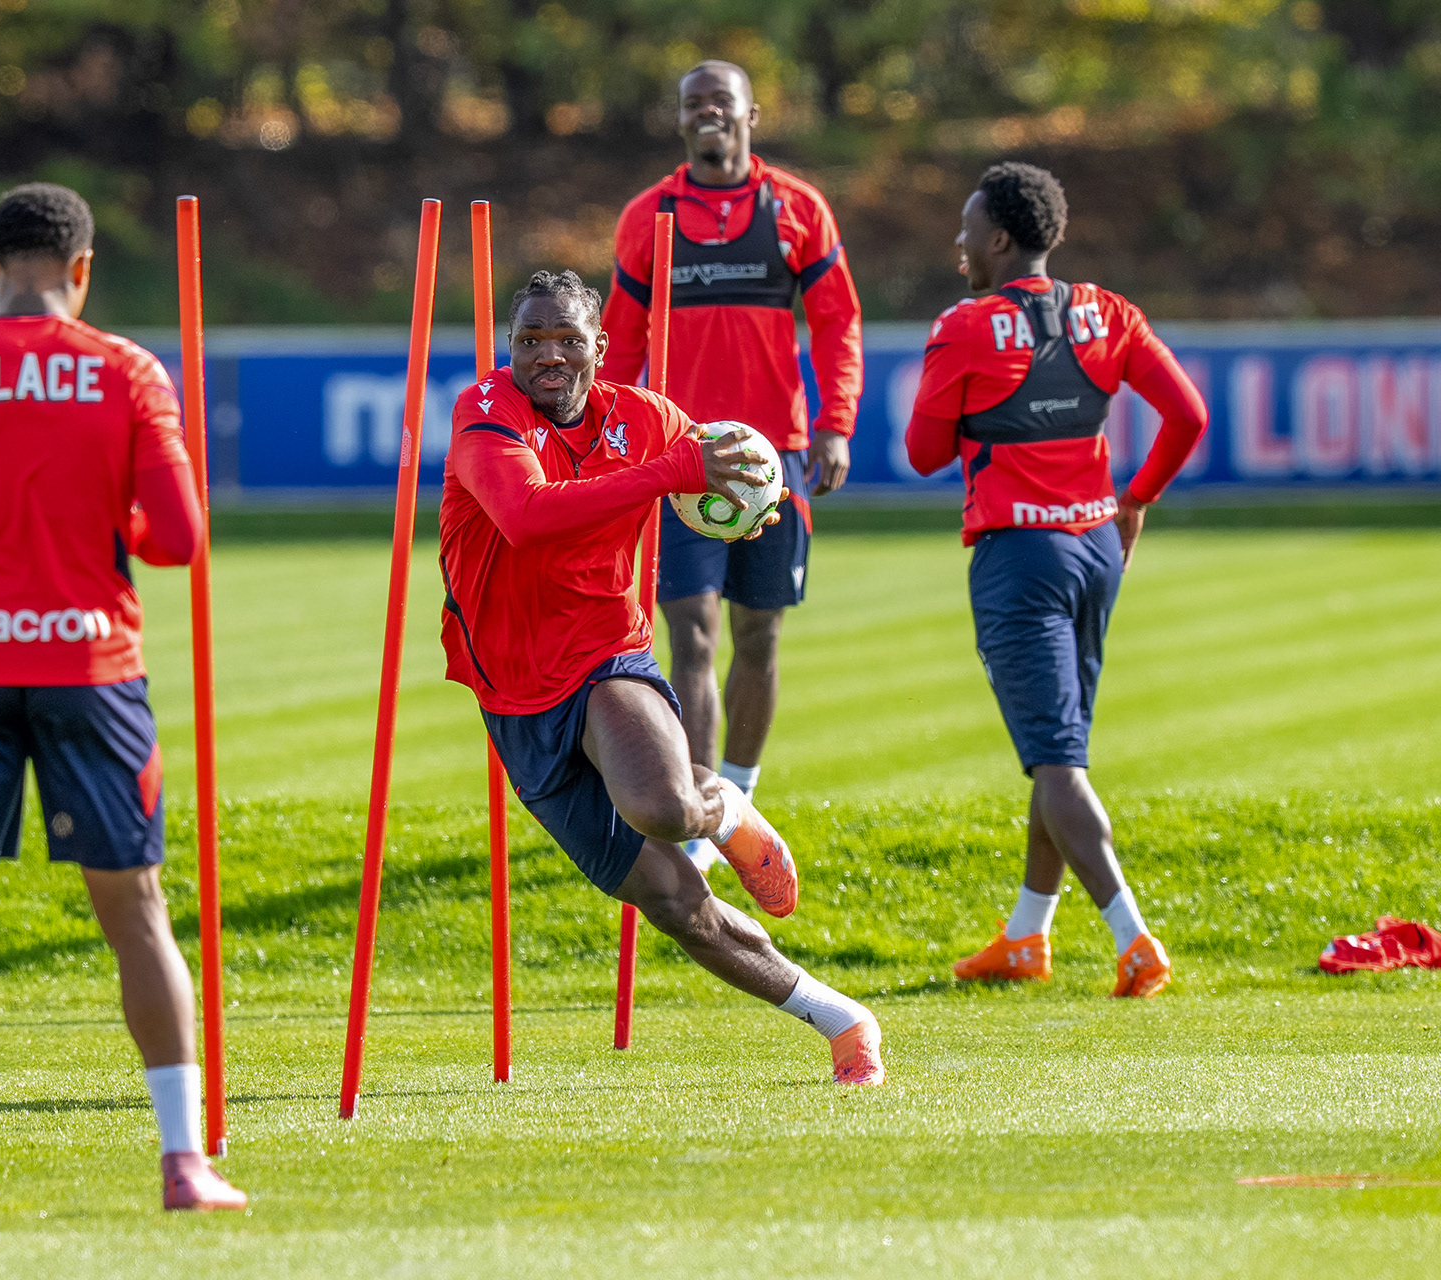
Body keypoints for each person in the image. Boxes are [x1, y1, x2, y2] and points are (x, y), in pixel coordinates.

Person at [0, 183, 246, 1214]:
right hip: (92, 670)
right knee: (138, 915)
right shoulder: (127, 371)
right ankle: (182, 1163)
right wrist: (117, 521)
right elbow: (179, 539)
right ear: (82, 270)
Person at [440, 268, 884, 1085]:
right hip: (512, 694)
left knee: (667, 810)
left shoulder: (645, 417)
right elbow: (527, 517)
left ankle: (724, 808)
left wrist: (753, 504)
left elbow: (726, 465)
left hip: (605, 653)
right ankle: (844, 1017)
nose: (547, 355)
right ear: (510, 348)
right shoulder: (485, 412)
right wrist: (668, 475)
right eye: (530, 340)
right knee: (677, 904)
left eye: (568, 340)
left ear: (600, 348)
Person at [904, 162, 1208, 998]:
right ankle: (1027, 937)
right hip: (1095, 551)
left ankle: (1133, 939)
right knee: (1056, 754)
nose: (959, 241)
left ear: (1000, 239)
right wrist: (1136, 499)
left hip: (1019, 560)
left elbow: (923, 454)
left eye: (968, 228)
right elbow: (1189, 415)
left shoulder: (964, 326)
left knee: (1058, 762)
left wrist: (982, 411)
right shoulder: (1109, 312)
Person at [604, 59, 864, 873]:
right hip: (679, 458)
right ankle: (700, 815)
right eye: (693, 103)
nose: (707, 111)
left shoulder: (797, 209)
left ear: (753, 113)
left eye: (722, 99)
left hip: (773, 458)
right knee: (693, 632)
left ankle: (739, 801)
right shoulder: (649, 217)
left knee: (760, 632)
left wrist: (836, 425)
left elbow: (838, 323)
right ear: (680, 120)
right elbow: (620, 343)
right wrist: (606, 445)